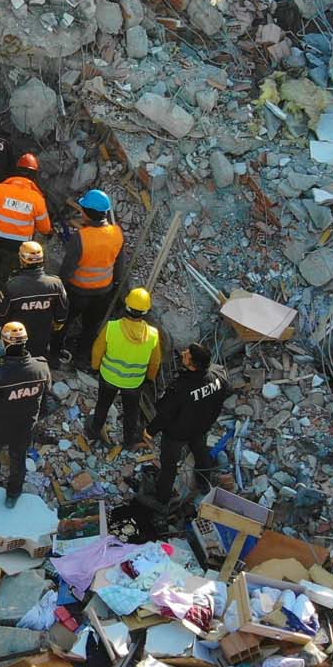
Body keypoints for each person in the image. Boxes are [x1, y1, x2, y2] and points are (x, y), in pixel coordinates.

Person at [141, 344, 232, 513]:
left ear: (193, 365)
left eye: (187, 355)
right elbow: (227, 391)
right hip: (202, 427)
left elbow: (165, 414)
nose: (183, 353)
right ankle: (204, 482)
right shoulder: (218, 377)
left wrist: (150, 431)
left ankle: (162, 499)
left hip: (177, 433)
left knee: (168, 466)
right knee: (200, 452)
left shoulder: (180, 388)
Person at [0, 322, 50, 508]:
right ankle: (13, 495)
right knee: (18, 459)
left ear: (5, 343)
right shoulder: (41, 367)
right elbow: (46, 396)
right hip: (25, 426)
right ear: (25, 343)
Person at [55, 189, 125, 366]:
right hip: (103, 293)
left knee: (62, 323)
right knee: (90, 327)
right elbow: (119, 265)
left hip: (77, 291)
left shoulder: (81, 238)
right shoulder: (117, 233)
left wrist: (58, 292)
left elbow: (67, 269)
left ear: (87, 213)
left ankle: (54, 355)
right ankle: (81, 359)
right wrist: (115, 285)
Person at [87, 287, 161, 446]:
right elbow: (155, 361)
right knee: (131, 412)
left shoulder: (112, 327)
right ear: (146, 311)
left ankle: (94, 432)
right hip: (133, 383)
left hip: (109, 377)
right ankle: (128, 441)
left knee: (103, 405)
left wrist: (95, 367)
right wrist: (150, 378)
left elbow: (97, 349)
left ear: (127, 307)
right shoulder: (153, 334)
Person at [0, 153, 51, 303]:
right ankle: (2, 300)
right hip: (16, 246)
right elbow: (44, 227)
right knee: (7, 275)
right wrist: (47, 232)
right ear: (34, 175)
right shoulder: (37, 199)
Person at [0, 240, 67, 363]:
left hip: (15, 337)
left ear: (22, 261)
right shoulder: (55, 284)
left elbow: (0, 313)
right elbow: (62, 310)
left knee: (14, 363)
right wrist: (59, 322)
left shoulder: (12, 286)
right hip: (42, 337)